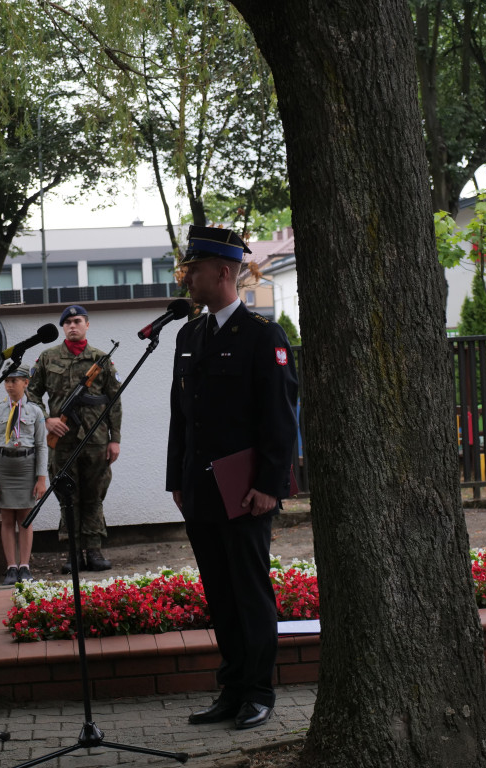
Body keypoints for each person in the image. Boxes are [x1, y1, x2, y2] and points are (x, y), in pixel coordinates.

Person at [166, 225, 299, 730]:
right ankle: (231, 688)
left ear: (222, 272)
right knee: (218, 592)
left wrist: (269, 484)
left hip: (245, 491)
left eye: (193, 268)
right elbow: (182, 414)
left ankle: (259, 691)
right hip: (199, 490)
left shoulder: (263, 336)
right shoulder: (189, 334)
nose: (187, 277)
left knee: (249, 591)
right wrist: (175, 478)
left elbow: (280, 419)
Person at [27, 306, 121, 573]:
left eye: (77, 321)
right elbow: (32, 394)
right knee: (68, 495)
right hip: (63, 439)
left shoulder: (101, 359)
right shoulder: (47, 358)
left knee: (94, 495)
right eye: (67, 322)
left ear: (87, 325)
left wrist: (115, 439)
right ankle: (73, 552)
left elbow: (114, 401)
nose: (72, 325)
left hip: (96, 438)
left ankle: (94, 551)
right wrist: (46, 419)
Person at [0, 364, 48, 585]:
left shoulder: (36, 412)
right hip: (3, 467)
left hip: (26, 466)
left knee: (26, 519)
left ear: (26, 383)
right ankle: (11, 566)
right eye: (7, 381)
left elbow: (41, 446)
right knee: (7, 518)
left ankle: (25, 565)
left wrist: (41, 478)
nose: (10, 385)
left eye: (15, 380)